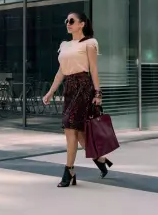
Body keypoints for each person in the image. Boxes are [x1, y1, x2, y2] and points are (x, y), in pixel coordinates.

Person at [42, 12, 112, 187]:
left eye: (72, 21)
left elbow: (94, 69)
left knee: (69, 126)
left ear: (81, 24)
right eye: (66, 20)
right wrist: (50, 92)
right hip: (69, 88)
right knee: (79, 133)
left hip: (83, 87)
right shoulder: (64, 45)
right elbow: (61, 71)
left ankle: (69, 170)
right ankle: (100, 159)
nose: (68, 23)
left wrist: (98, 93)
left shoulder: (90, 43)